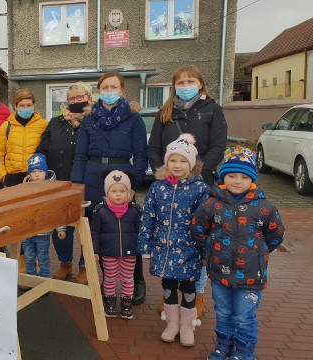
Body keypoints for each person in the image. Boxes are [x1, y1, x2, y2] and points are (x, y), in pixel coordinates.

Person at [147, 65, 228, 317]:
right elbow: (154, 148)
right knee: (171, 238)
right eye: (180, 82)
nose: (185, 86)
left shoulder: (213, 110)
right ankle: (170, 295)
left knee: (198, 239)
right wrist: (165, 174)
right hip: (170, 186)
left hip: (200, 185)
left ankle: (198, 294)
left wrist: (197, 175)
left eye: (190, 81)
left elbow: (217, 146)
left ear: (200, 84)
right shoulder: (166, 111)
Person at [192, 146, 285, 360]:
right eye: (232, 175)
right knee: (223, 313)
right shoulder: (211, 203)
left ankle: (244, 352)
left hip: (251, 276)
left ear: (251, 180)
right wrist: (211, 249)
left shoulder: (264, 207)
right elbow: (198, 229)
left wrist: (258, 252)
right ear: (223, 177)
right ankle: (223, 346)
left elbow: (276, 234)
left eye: (243, 176)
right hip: (219, 274)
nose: (237, 181)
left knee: (244, 316)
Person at [70, 72, 148, 289]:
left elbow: (141, 153)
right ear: (99, 91)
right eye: (105, 87)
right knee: (101, 229)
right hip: (93, 176)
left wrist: (135, 181)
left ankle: (135, 281)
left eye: (114, 87)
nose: (109, 91)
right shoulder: (89, 119)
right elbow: (80, 154)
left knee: (128, 230)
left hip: (122, 175)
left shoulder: (134, 119)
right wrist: (78, 184)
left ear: (122, 91)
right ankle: (107, 282)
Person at [137, 134, 210, 347]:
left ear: (192, 164)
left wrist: (205, 252)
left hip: (189, 248)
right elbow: (148, 217)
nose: (177, 165)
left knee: (189, 286)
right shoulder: (157, 188)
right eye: (172, 160)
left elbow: (205, 224)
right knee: (168, 284)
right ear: (166, 162)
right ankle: (172, 324)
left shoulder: (201, 189)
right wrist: (145, 246)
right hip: (163, 246)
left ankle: (187, 326)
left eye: (182, 161)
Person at [36, 82, 90, 281]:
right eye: (71, 99)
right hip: (58, 183)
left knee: (87, 228)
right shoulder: (56, 122)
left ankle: (85, 266)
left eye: (79, 97)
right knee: (61, 227)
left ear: (88, 98)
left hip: (86, 183)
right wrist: (37, 169)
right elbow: (42, 148)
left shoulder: (93, 121)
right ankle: (65, 263)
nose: (75, 101)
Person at [91, 170, 141, 320]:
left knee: (128, 279)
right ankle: (110, 303)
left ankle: (127, 303)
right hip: (108, 253)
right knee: (110, 278)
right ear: (107, 193)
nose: (118, 194)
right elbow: (95, 232)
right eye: (114, 191)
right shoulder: (100, 211)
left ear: (129, 193)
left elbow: (141, 231)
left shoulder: (135, 211)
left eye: (122, 191)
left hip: (129, 253)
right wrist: (95, 250)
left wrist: (143, 249)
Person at [21, 153, 66, 279]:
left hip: (43, 233)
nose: (36, 174)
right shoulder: (24, 190)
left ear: (45, 173)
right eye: (33, 171)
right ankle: (31, 278)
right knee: (29, 257)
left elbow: (56, 210)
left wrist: (61, 228)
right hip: (27, 233)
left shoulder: (50, 191)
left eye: (40, 171)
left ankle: (44, 278)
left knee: (43, 257)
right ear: (29, 174)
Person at [0, 89, 48, 186]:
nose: (25, 108)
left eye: (29, 105)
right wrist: (2, 176)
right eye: (22, 105)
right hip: (12, 178)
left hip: (36, 177)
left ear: (33, 105)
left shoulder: (44, 125)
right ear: (15, 106)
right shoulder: (6, 126)